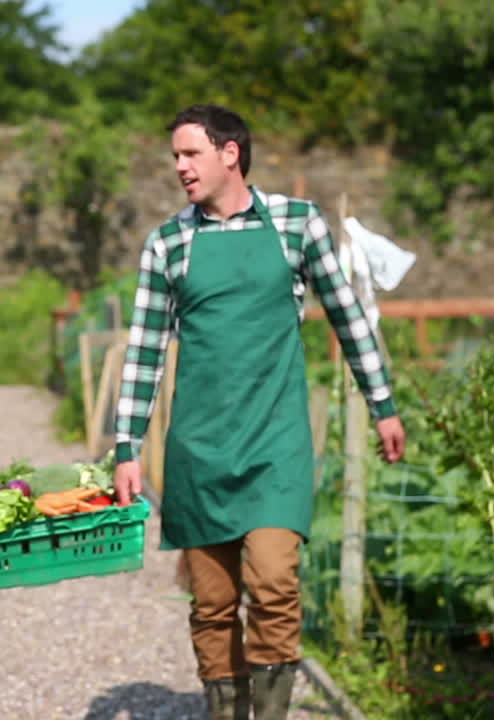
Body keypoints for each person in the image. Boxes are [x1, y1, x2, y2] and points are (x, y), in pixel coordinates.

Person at [112, 104, 406, 720]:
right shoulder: (169, 242)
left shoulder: (299, 224)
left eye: (190, 153)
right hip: (198, 449)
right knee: (212, 605)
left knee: (274, 584)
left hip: (276, 444)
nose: (179, 167)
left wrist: (382, 403)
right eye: (175, 156)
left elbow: (349, 318)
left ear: (230, 154)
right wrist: (126, 447)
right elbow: (143, 352)